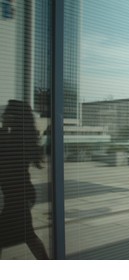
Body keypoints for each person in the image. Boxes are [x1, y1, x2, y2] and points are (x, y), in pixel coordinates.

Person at [0, 99, 49, 259]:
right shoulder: (19, 137)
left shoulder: (11, 139)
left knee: (27, 235)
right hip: (21, 194)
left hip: (17, 196)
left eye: (7, 112)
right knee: (27, 235)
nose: (3, 115)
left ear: (14, 117)